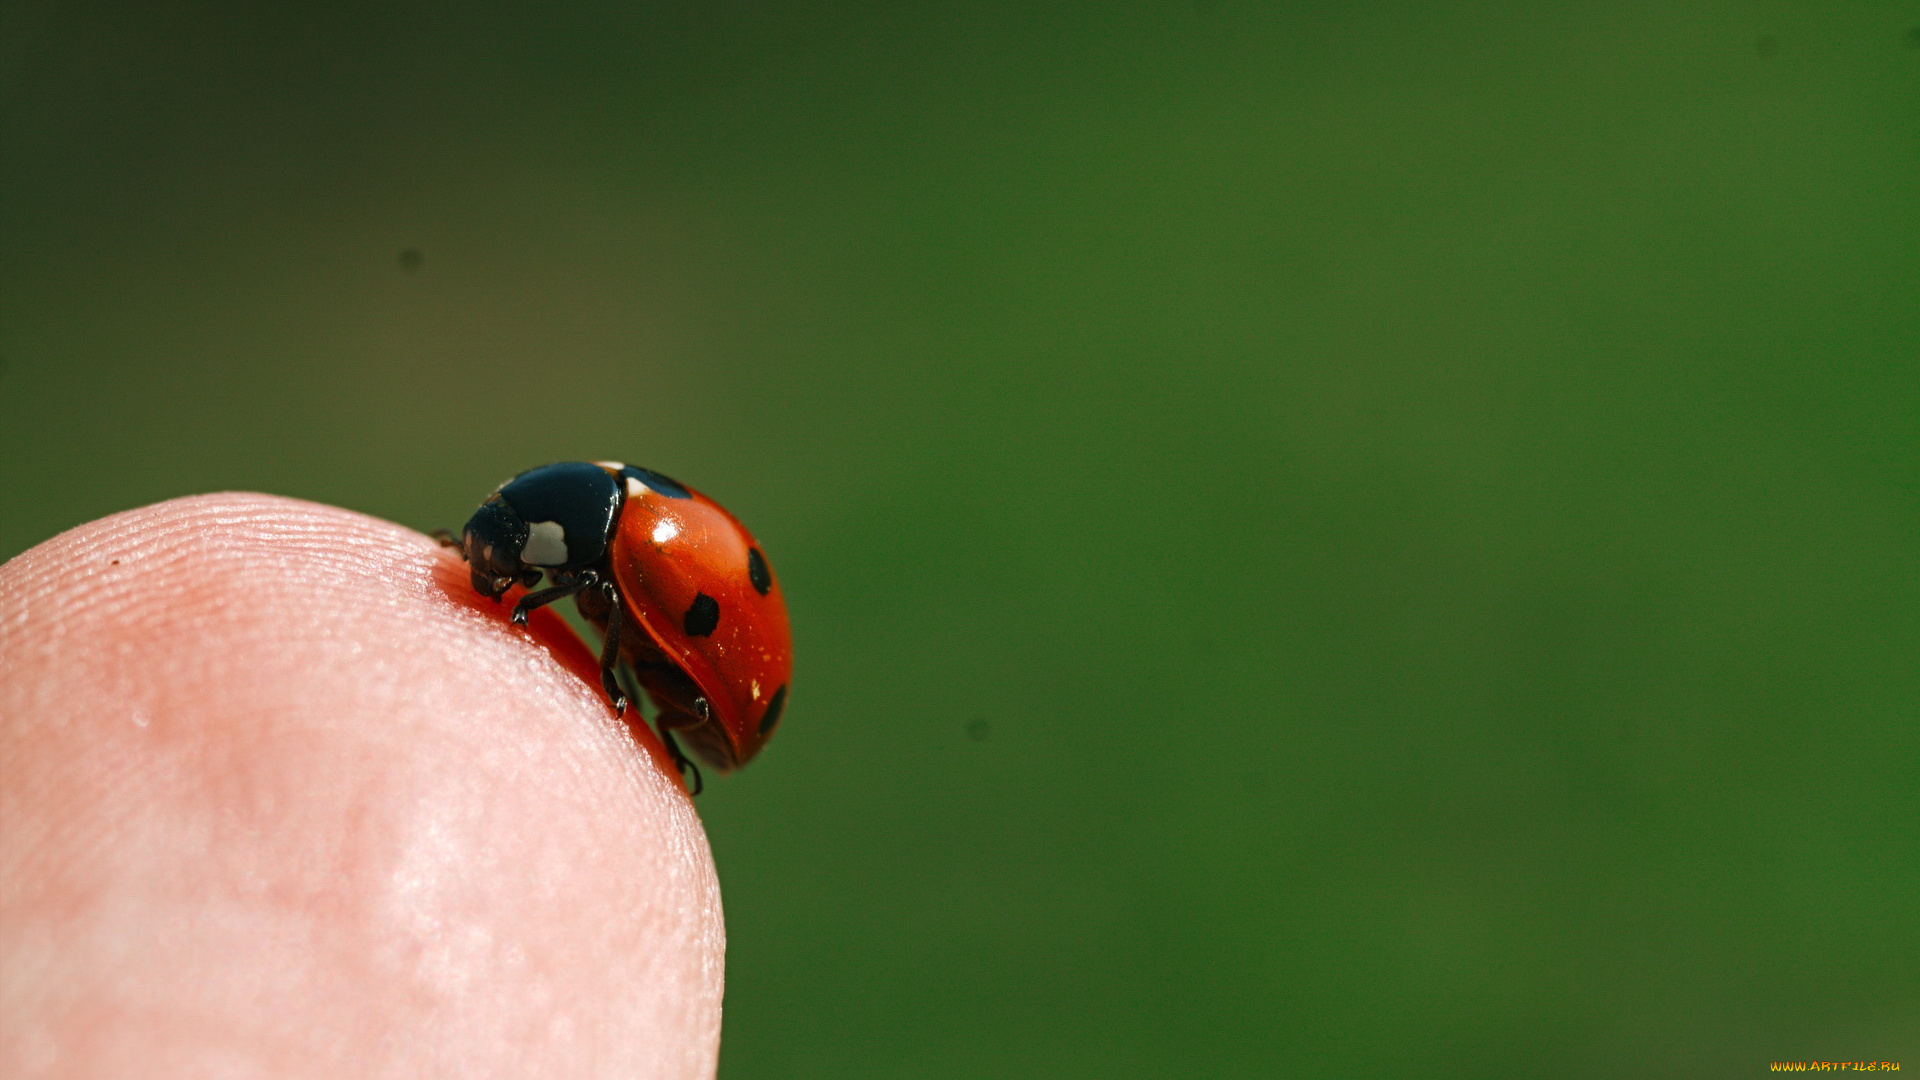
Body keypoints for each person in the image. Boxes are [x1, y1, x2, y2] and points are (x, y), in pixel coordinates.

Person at [0, 495, 723, 1078]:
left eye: (506, 555)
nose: (491, 572)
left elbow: (609, 598)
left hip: (708, 689)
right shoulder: (591, 524)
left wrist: (601, 671)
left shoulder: (624, 544)